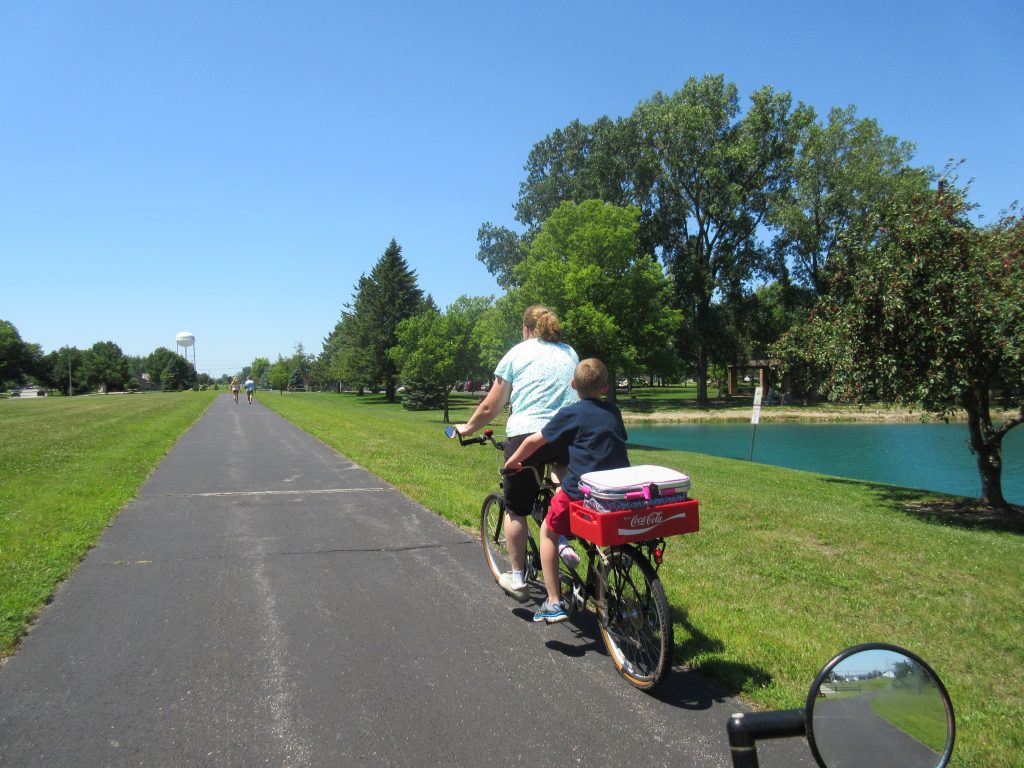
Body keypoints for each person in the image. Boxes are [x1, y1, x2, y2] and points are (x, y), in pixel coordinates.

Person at [453, 305, 578, 602]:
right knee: (562, 483)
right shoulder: (569, 352)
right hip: (568, 432)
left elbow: (489, 406)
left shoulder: (517, 352)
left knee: (517, 508)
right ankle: (561, 539)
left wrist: (467, 428)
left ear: (526, 329)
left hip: (527, 434)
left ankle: (518, 577)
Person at [504, 358, 629, 623]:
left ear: (573, 385)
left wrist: (514, 460)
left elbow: (535, 439)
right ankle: (616, 558)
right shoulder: (613, 411)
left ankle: (553, 602)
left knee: (549, 531)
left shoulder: (571, 413)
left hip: (582, 492)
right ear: (605, 388)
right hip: (616, 489)